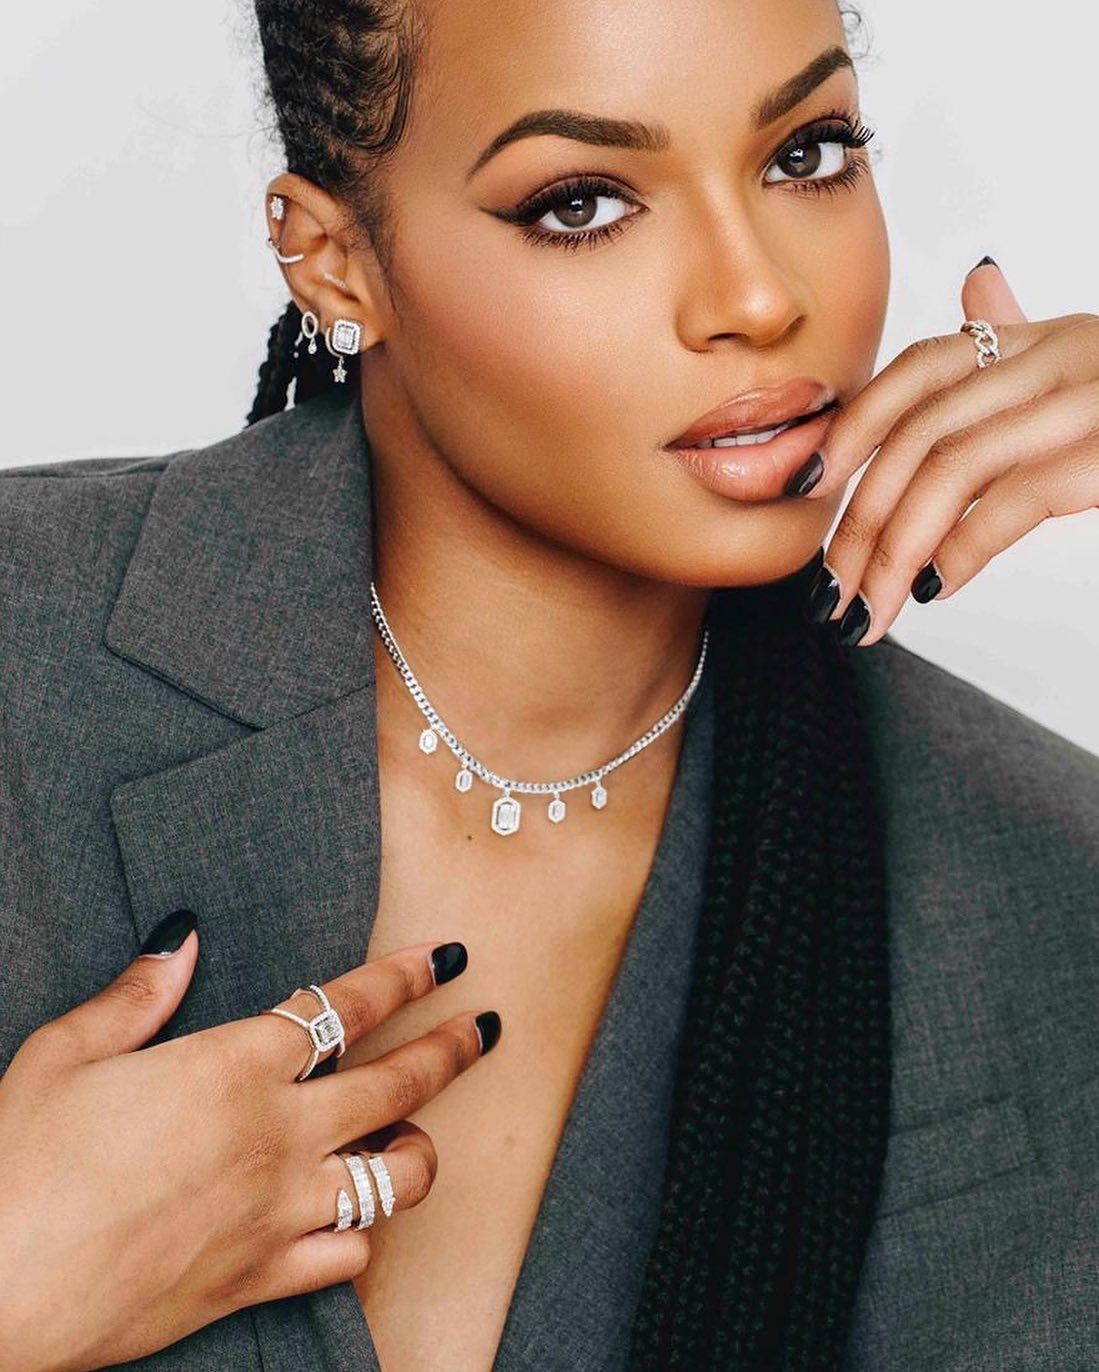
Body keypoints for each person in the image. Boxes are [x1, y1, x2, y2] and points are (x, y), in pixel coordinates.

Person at [1, 1, 1096, 1369]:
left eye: (807, 154)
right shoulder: (26, 661)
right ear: (335, 261)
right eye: (583, 201)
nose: (759, 297)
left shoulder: (1048, 892)